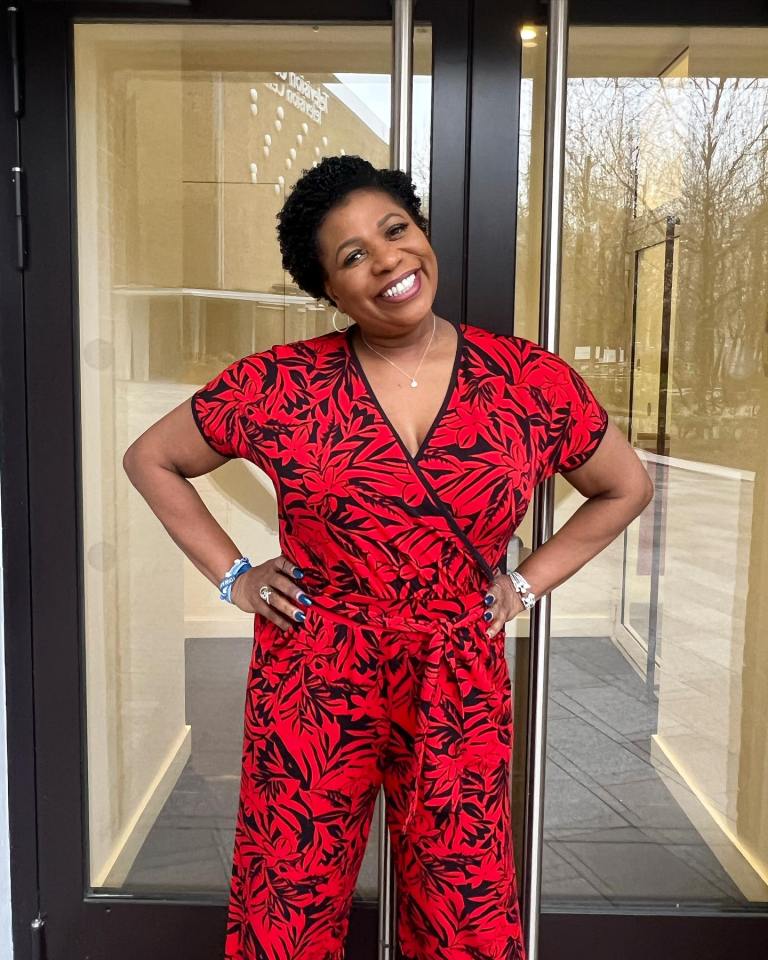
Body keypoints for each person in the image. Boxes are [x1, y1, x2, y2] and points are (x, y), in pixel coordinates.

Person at [123, 154, 653, 960]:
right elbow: (152, 458)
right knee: (288, 903)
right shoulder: (281, 385)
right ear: (329, 291)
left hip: (455, 669)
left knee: (464, 909)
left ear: (422, 232)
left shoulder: (529, 381)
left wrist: (522, 583)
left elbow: (625, 487)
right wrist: (235, 576)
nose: (388, 261)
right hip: (314, 667)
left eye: (395, 231)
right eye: (353, 256)